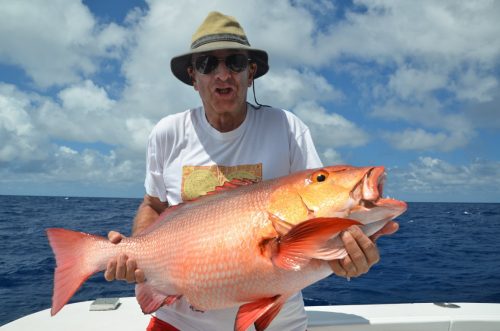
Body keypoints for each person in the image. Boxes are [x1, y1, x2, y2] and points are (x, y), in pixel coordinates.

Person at [105, 11, 398, 331]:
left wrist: (348, 259)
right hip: (179, 321)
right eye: (207, 64)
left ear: (251, 72)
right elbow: (153, 205)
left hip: (276, 322)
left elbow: (320, 213)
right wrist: (135, 252)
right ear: (193, 76)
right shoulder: (168, 133)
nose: (222, 74)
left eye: (235, 62)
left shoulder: (286, 128)